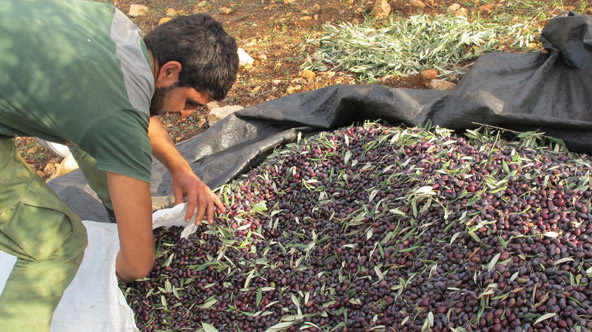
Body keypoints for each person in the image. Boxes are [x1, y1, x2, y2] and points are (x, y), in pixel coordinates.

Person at [0, 0, 239, 330]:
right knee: (55, 243)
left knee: (94, 135)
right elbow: (138, 266)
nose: (185, 115)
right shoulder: (118, 119)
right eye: (189, 103)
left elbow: (130, 109)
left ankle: (122, 209)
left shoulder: (118, 29)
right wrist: (119, 259)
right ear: (169, 71)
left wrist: (181, 169)